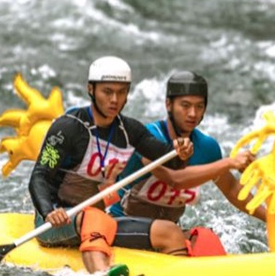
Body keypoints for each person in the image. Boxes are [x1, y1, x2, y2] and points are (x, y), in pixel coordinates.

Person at [28, 56, 193, 276]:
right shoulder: (67, 128)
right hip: (56, 222)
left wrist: (182, 150)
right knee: (94, 218)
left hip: (97, 221)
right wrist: (49, 211)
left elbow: (171, 159)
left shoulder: (129, 130)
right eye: (107, 91)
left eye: (121, 92)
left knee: (170, 231)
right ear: (91, 89)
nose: (115, 99)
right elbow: (39, 176)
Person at [108, 71, 266, 249]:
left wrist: (270, 218)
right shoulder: (149, 138)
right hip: (120, 225)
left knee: (207, 239)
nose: (193, 113)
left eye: (199, 106)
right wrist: (229, 162)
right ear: (169, 105)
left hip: (167, 233)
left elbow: (231, 189)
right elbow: (174, 179)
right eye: (185, 105)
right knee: (169, 231)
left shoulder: (207, 147)